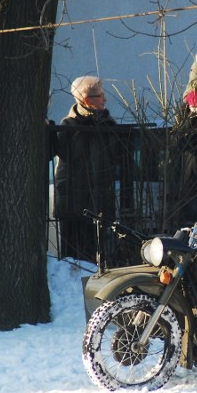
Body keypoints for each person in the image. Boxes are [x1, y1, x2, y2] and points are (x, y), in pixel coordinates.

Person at [53, 76, 117, 262]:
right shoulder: (68, 126)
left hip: (99, 202)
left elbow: (117, 157)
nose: (105, 99)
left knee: (98, 255)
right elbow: (60, 153)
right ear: (86, 100)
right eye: (100, 95)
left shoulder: (108, 125)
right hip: (74, 202)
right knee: (72, 257)